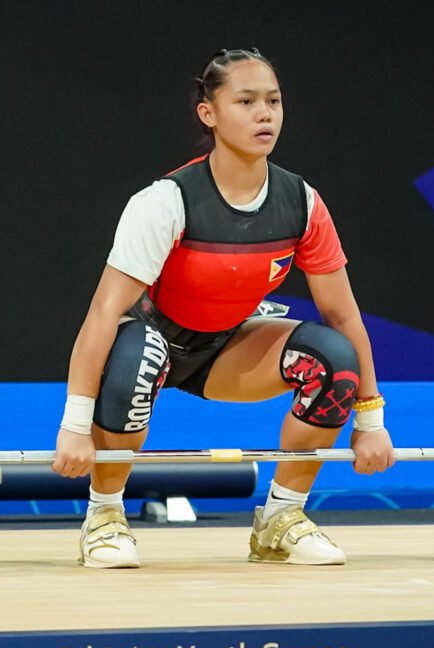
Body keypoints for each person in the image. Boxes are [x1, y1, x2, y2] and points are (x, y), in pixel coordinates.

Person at [52, 47, 395, 568]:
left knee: (335, 359)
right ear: (208, 114)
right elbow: (103, 313)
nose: (265, 114)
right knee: (138, 352)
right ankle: (104, 517)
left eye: (274, 102)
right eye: (246, 101)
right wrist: (74, 425)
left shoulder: (301, 203)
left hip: (229, 350)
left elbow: (344, 316)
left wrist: (370, 418)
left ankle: (281, 518)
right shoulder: (166, 201)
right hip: (151, 341)